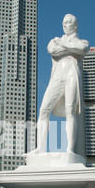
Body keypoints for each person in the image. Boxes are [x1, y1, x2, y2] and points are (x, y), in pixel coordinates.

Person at [31, 14, 89, 155]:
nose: (65, 24)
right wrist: (71, 48)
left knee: (70, 110)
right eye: (63, 22)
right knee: (44, 109)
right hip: (57, 75)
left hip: (72, 72)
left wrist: (62, 44)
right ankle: (40, 148)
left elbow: (82, 49)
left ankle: (70, 149)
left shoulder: (82, 41)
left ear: (75, 25)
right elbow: (52, 50)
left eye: (68, 22)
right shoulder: (53, 42)